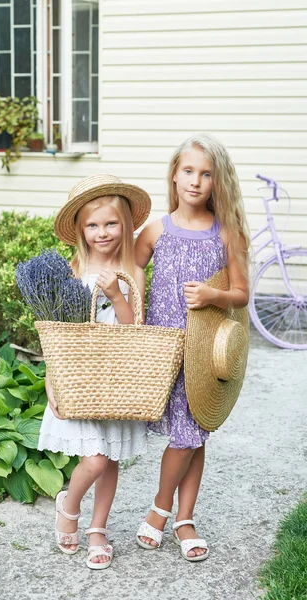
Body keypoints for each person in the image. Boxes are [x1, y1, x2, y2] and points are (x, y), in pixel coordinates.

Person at [134, 133, 249, 561]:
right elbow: (130, 272)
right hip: (164, 350)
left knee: (191, 433)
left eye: (206, 174)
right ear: (174, 175)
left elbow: (241, 293)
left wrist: (211, 296)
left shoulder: (226, 234)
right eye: (188, 171)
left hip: (204, 352)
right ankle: (186, 519)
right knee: (192, 437)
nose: (196, 181)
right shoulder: (156, 231)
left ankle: (161, 514)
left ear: (218, 183)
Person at [38, 174, 151, 570]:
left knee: (111, 459)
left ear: (125, 225)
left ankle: (97, 528)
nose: (102, 232)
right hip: (81, 379)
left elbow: (133, 330)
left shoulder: (130, 272)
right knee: (96, 459)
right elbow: (58, 330)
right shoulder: (73, 269)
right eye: (92, 225)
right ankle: (69, 506)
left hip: (115, 380)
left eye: (111, 223)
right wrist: (53, 378)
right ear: (80, 231)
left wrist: (116, 295)